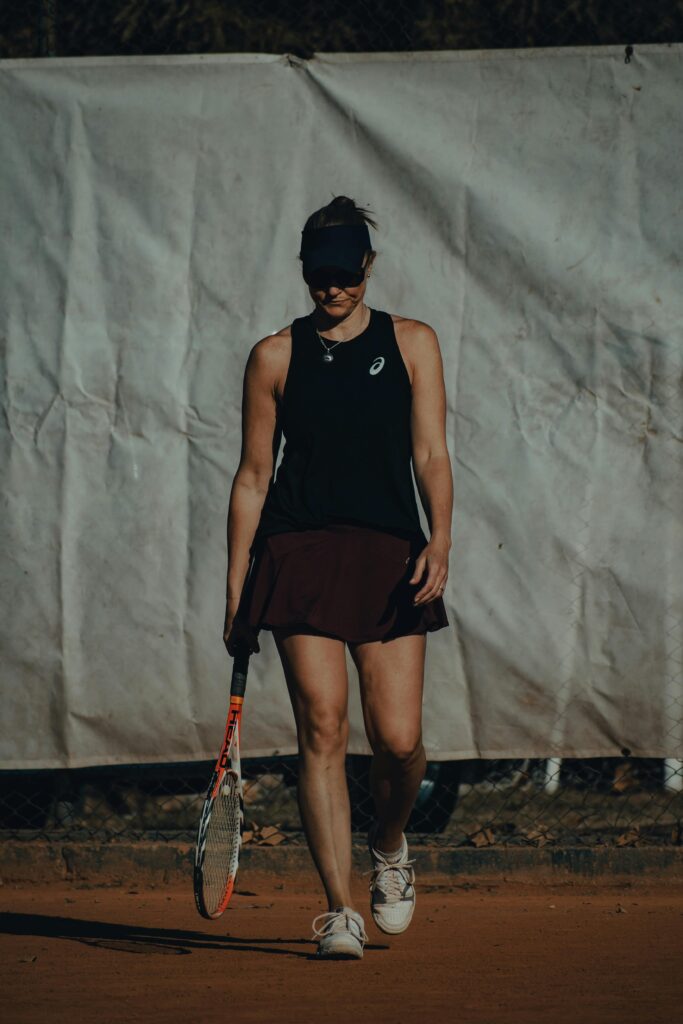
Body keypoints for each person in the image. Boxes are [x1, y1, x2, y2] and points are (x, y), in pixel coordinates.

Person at [223, 195, 453, 960]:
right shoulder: (274, 356)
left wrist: (440, 539)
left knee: (399, 739)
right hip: (299, 550)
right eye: (320, 275)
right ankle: (338, 909)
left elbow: (430, 455)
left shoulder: (413, 342)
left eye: (345, 274)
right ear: (304, 272)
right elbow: (254, 477)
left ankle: (390, 843)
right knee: (321, 723)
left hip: (389, 551)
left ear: (368, 267)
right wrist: (237, 589)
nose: (333, 289)